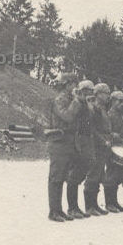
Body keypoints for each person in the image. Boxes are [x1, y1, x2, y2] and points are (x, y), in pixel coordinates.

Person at [46, 73, 83, 222]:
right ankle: (54, 211)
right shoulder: (61, 99)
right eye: (75, 84)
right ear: (68, 84)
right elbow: (67, 117)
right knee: (56, 178)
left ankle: (59, 210)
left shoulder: (70, 99)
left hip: (68, 142)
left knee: (62, 177)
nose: (76, 87)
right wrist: (76, 102)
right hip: (59, 142)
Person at [66, 79, 96, 218]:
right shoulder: (77, 102)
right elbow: (70, 121)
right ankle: (72, 208)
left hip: (85, 141)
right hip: (78, 141)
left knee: (82, 171)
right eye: (89, 91)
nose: (91, 94)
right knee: (75, 175)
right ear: (83, 90)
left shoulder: (84, 103)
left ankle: (76, 207)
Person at [84, 83, 112, 216]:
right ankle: (89, 206)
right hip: (96, 146)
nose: (108, 96)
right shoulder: (94, 108)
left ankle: (94, 204)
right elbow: (93, 129)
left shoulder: (102, 108)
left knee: (99, 174)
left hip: (103, 146)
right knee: (93, 175)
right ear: (98, 94)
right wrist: (103, 140)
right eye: (106, 93)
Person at [104, 90, 123, 213]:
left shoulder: (119, 115)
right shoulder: (110, 115)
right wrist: (120, 138)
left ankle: (114, 202)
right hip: (112, 149)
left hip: (120, 149)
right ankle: (109, 203)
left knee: (118, 175)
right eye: (120, 101)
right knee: (111, 176)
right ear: (113, 101)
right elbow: (108, 133)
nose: (122, 104)